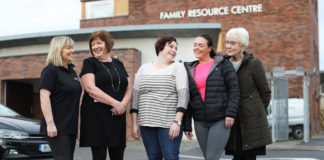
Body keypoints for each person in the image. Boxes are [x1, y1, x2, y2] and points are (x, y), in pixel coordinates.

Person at [131, 35, 189, 160]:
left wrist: (177, 122)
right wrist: (135, 124)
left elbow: (183, 96)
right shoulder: (143, 68)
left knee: (170, 156)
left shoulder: (178, 67)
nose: (174, 50)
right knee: (153, 157)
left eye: (176, 48)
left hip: (169, 123)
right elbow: (135, 97)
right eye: (171, 46)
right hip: (146, 123)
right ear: (160, 47)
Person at [183, 33, 240, 160]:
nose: (196, 48)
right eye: (195, 45)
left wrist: (230, 113)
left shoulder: (222, 64)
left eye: (200, 45)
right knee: (208, 157)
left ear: (209, 48)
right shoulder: (189, 69)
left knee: (211, 158)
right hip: (199, 121)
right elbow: (187, 98)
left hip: (219, 119)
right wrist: (187, 124)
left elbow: (234, 89)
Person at [79, 30, 132, 160]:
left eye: (99, 43)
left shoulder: (118, 64)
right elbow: (90, 88)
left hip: (117, 115)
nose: (95, 47)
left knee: (118, 156)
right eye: (92, 44)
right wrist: (115, 103)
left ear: (108, 44)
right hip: (96, 116)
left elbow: (129, 87)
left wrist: (122, 105)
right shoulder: (89, 63)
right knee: (99, 157)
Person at [224, 27, 272, 160]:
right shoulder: (223, 65)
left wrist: (256, 111)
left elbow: (265, 92)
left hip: (252, 123)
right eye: (227, 42)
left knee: (250, 157)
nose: (228, 46)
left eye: (232, 43)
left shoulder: (254, 64)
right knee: (236, 157)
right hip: (233, 121)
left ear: (242, 45)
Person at [40, 36, 82, 160]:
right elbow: (44, 96)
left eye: (72, 48)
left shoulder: (72, 71)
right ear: (58, 49)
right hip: (57, 126)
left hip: (70, 127)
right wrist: (50, 124)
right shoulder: (50, 71)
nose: (72, 51)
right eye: (68, 48)